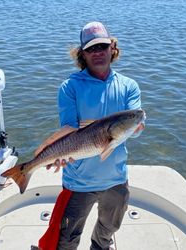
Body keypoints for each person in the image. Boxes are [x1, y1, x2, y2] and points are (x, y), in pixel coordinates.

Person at [38, 21, 144, 250]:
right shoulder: (69, 87)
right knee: (65, 239)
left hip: (116, 178)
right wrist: (56, 152)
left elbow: (133, 128)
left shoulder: (129, 86)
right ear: (82, 54)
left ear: (112, 49)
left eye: (103, 46)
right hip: (79, 181)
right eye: (91, 49)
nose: (98, 53)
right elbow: (68, 128)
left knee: (107, 232)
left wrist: (135, 130)